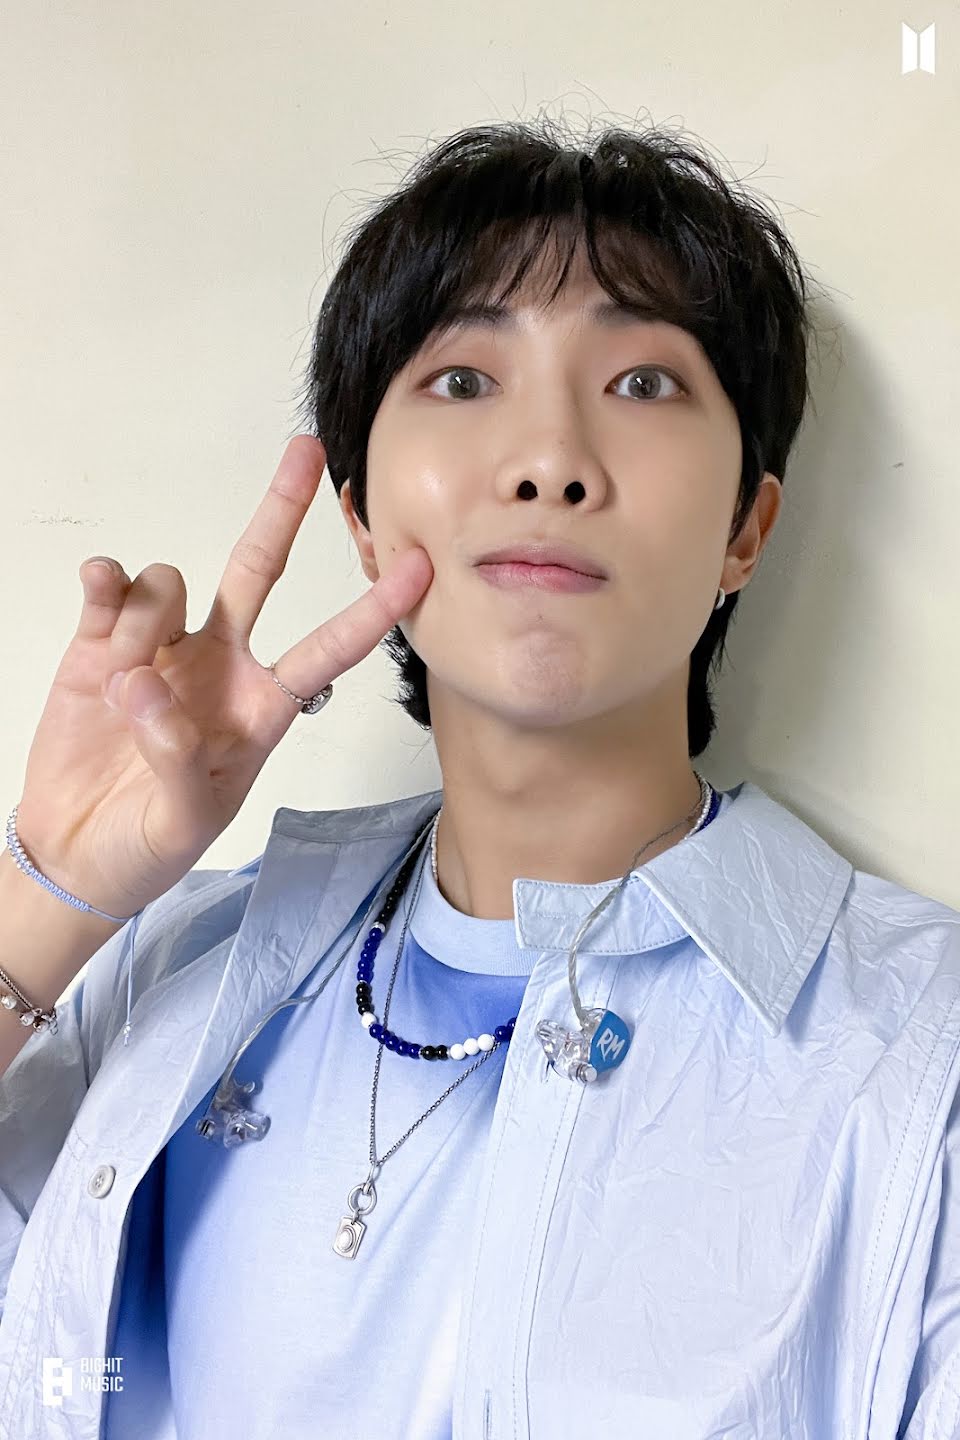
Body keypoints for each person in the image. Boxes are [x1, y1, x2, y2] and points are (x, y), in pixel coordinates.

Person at [1, 118, 959, 1439]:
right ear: (360, 515)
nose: (548, 460)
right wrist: (51, 891)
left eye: (643, 382)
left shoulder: (919, 1054)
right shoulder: (172, 973)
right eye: (463, 378)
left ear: (747, 526)